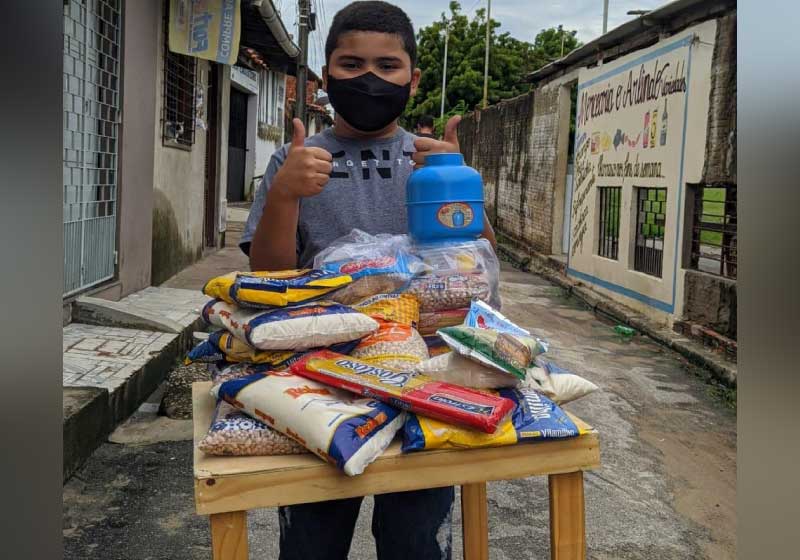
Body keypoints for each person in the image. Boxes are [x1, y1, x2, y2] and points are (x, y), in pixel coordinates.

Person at [240, 3, 496, 559]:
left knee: (414, 539)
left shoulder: (431, 159)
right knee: (312, 536)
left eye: (387, 65)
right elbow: (268, 275)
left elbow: (477, 270)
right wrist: (286, 193)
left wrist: (455, 185)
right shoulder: (295, 158)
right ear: (326, 73)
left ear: (413, 78)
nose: (370, 79)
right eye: (351, 65)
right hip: (320, 375)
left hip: (427, 378)